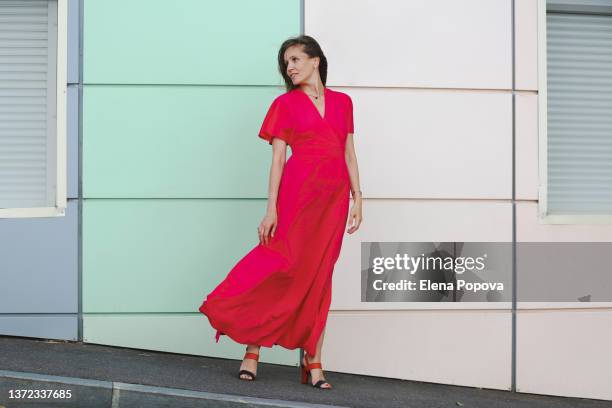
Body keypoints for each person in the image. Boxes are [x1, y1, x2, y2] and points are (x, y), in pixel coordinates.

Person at [198, 35, 362, 390]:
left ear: (315, 60)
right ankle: (251, 349)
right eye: (286, 62)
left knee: (318, 278)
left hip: (332, 201)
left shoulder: (344, 102)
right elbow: (276, 160)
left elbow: (348, 152)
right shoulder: (284, 104)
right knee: (279, 268)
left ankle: (314, 360)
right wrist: (270, 209)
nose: (290, 67)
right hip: (296, 196)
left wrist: (358, 196)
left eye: (295, 59)